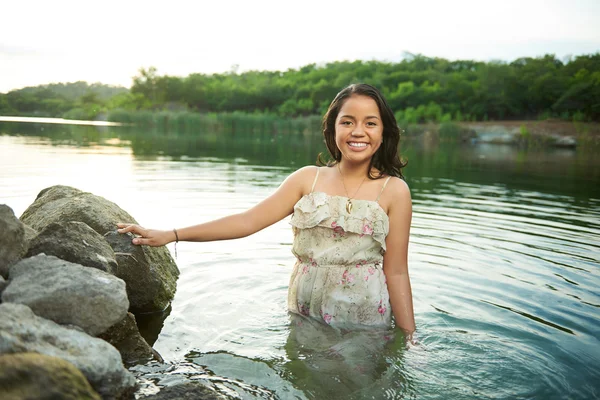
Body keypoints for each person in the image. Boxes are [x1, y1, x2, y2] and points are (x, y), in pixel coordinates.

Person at [117, 83, 416, 339]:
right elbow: (247, 221)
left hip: (363, 315)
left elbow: (397, 271)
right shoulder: (306, 180)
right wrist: (171, 234)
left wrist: (410, 338)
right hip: (306, 310)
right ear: (333, 127)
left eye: (370, 123)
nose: (358, 132)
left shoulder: (394, 191)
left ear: (383, 131)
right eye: (348, 121)